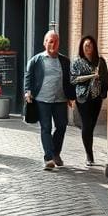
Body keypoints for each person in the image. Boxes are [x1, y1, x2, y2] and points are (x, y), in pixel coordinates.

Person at [25, 30, 76, 170]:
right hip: (42, 100)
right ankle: (48, 158)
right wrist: (27, 92)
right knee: (46, 128)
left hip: (60, 99)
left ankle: (55, 153)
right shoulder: (36, 60)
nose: (53, 44)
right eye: (51, 41)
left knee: (61, 126)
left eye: (56, 41)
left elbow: (69, 80)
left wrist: (71, 97)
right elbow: (28, 76)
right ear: (45, 43)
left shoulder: (65, 61)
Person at [71, 35, 108, 166]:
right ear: (82, 47)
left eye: (90, 45)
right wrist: (90, 76)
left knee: (91, 126)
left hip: (96, 98)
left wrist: (103, 93)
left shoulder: (100, 61)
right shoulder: (77, 61)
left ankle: (89, 151)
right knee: (87, 125)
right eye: (86, 45)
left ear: (94, 46)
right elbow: (73, 79)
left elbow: (106, 77)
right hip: (82, 98)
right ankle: (89, 154)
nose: (88, 47)